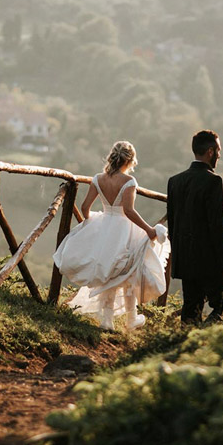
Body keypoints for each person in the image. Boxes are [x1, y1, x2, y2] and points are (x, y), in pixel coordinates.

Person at [53, 141, 170, 330]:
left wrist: (92, 226)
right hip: (124, 228)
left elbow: (84, 207)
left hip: (104, 224)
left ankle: (107, 321)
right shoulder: (129, 182)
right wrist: (149, 229)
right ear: (130, 160)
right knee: (127, 272)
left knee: (108, 272)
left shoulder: (98, 178)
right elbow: (129, 211)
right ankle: (131, 319)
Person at [166, 130, 223, 325]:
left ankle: (184, 346)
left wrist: (178, 254)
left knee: (191, 308)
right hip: (209, 260)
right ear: (210, 151)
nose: (219, 155)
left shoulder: (175, 181)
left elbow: (173, 223)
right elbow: (218, 226)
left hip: (185, 259)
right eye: (218, 150)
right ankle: (208, 345)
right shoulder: (213, 181)